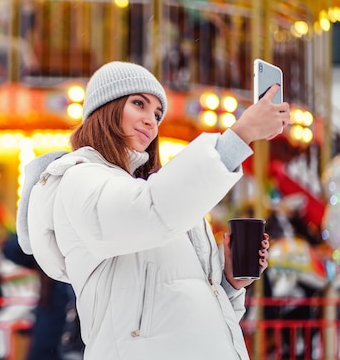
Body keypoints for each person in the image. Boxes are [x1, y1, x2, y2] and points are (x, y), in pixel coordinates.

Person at [16, 61, 288, 359]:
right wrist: (239, 136)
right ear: (105, 108)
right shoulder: (79, 178)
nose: (151, 120)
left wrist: (228, 281)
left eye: (157, 114)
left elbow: (185, 307)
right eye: (139, 104)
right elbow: (146, 212)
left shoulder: (152, 194)